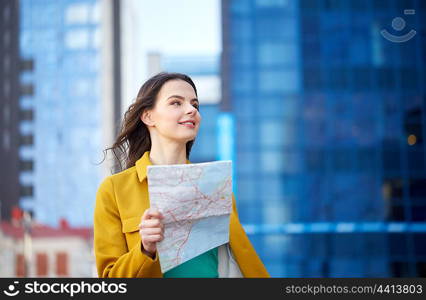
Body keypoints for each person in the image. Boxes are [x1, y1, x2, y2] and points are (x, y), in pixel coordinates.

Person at [94, 72, 269, 278]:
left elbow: (237, 260)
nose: (191, 110)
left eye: (195, 105)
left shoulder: (216, 185)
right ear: (148, 116)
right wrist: (146, 249)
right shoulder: (115, 190)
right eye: (176, 103)